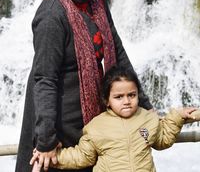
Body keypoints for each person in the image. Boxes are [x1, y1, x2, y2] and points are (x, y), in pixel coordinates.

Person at [15, 0, 153, 172]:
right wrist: (46, 139)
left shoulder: (97, 1)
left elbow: (118, 55)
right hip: (60, 125)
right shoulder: (52, 15)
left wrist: (146, 107)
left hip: (95, 119)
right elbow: (44, 79)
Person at [30, 65, 200, 172]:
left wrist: (177, 117)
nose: (126, 101)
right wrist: (52, 158)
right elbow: (82, 156)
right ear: (107, 100)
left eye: (131, 95)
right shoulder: (97, 126)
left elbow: (162, 140)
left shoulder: (148, 118)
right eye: (119, 97)